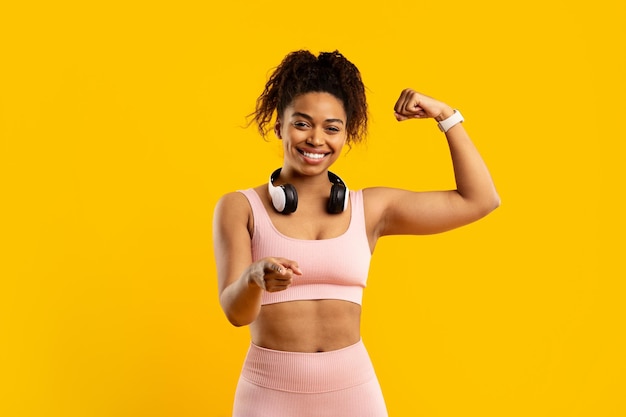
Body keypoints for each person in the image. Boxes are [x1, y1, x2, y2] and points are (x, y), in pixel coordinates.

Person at [212, 50, 500, 417]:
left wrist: (446, 116)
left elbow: (480, 199)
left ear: (346, 135)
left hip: (352, 393)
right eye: (302, 124)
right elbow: (236, 314)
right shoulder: (240, 208)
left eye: (332, 128)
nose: (316, 139)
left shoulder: (371, 209)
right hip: (269, 394)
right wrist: (253, 279)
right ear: (279, 126)